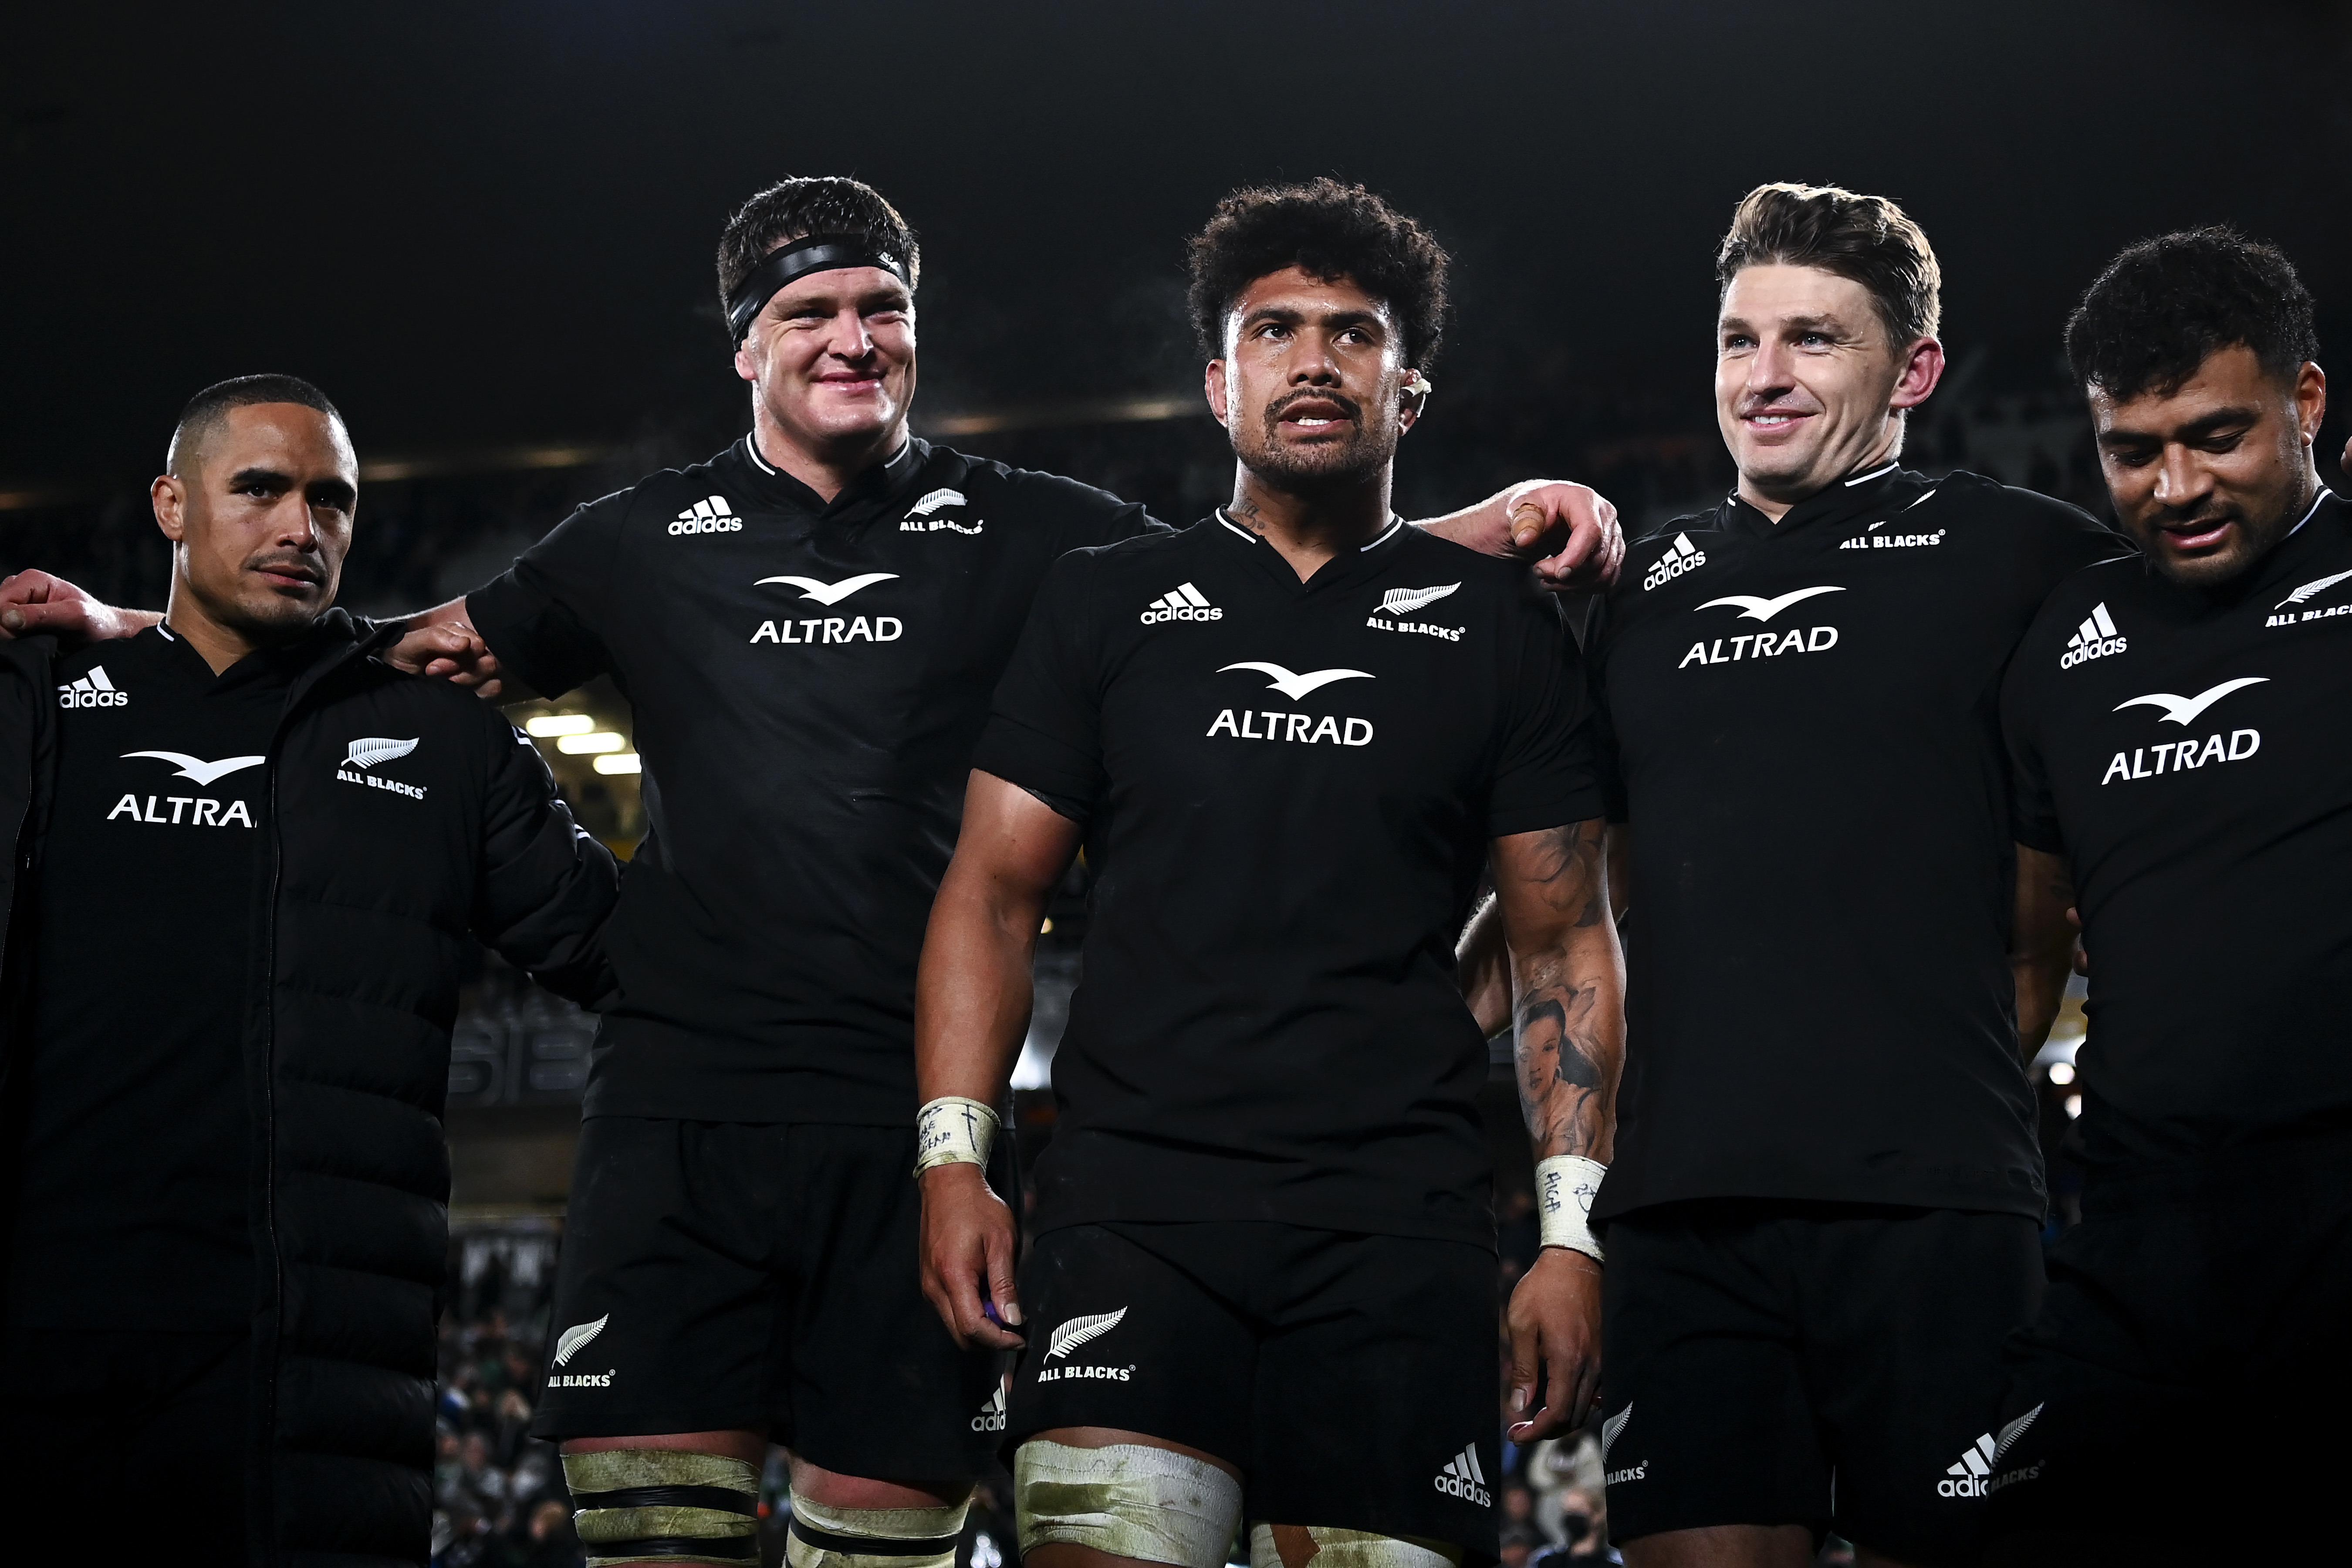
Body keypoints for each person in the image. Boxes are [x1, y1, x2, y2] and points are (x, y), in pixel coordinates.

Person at [0, 176, 1626, 1567]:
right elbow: (393, 647)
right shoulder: (632, 540)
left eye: (884, 305)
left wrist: (1474, 525)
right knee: (654, 1535)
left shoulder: (1038, 533)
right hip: (678, 1115)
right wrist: (157, 628)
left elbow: (1248, 563)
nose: (853, 337)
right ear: (748, 350)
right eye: (811, 313)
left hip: (897, 1129)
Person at [916, 179, 1623, 1568]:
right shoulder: (1106, 603)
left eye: (1354, 335)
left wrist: (1572, 1238)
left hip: (1398, 1237)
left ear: (1406, 393)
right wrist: (955, 1162)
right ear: (1216, 381)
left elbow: (1562, 947)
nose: (1313, 360)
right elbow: (992, 895)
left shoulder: (1504, 628)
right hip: (1132, 1217)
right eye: (1274, 330)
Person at [1460, 183, 2127, 1568]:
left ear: (1916, 372)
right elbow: (1564, 909)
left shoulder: (2028, 554)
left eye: (1814, 341)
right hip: (1682, 1216)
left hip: (1937, 1209)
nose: (1763, 379)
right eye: (1737, 340)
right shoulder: (1641, 585)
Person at [0, 375, 618, 1566]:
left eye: (331, 500)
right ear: (171, 506)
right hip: (43, 1354)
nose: (302, 527)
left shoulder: (441, 741)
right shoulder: (48, 703)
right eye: (262, 491)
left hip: (311, 1386)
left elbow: (625, 952)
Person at [1993, 230, 2351, 1565]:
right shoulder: (2063, 647)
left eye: (2217, 436)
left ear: (2305, 403)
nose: (2176, 486)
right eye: (2133, 451)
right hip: (2143, 1230)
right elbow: (2027, 957)